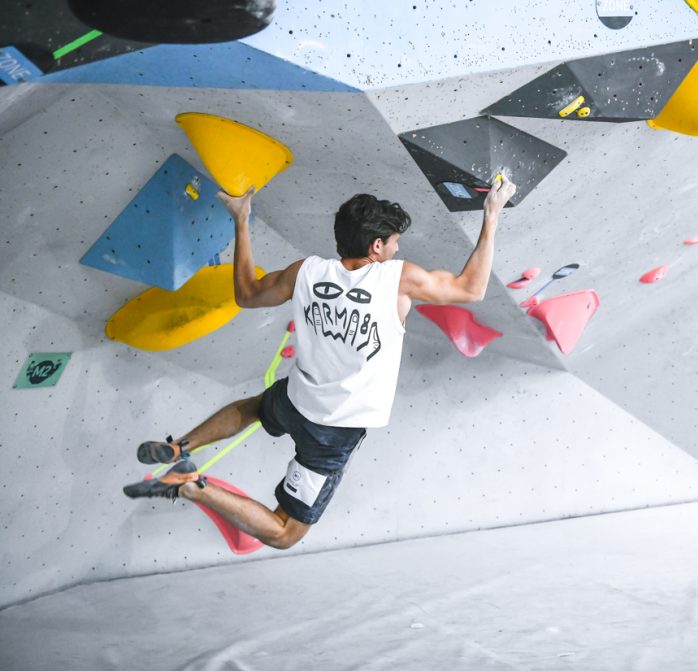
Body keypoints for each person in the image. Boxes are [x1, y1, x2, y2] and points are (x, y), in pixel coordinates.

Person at [123, 176, 517, 549]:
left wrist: (241, 220)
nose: (397, 250)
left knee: (256, 407)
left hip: (295, 400)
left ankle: (179, 446)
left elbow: (246, 294)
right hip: (333, 431)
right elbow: (472, 288)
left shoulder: (305, 271)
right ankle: (190, 487)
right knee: (284, 533)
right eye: (394, 243)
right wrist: (492, 213)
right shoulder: (398, 279)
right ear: (376, 246)